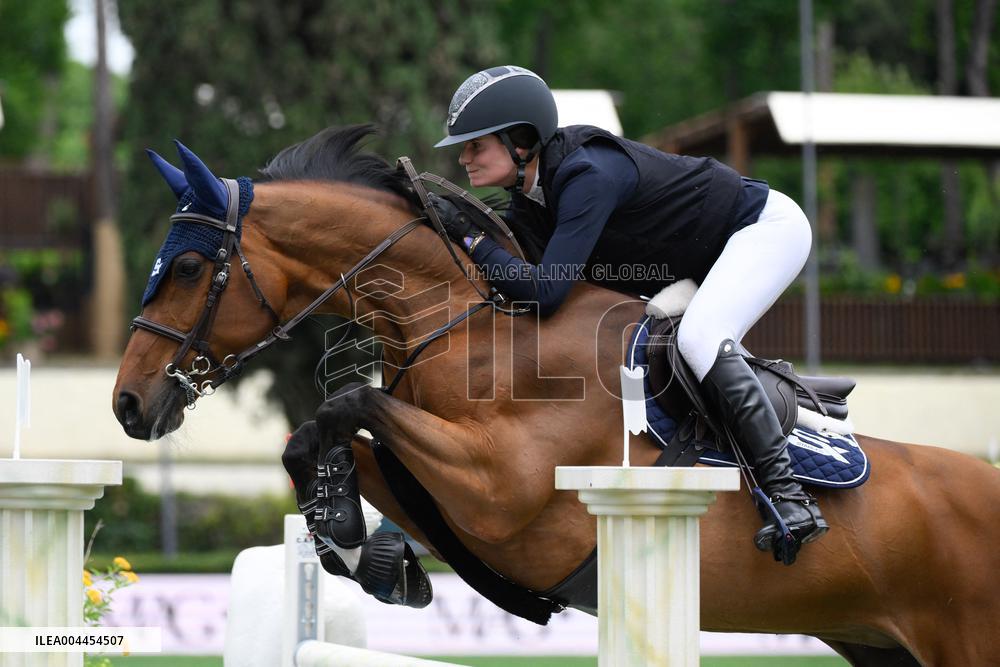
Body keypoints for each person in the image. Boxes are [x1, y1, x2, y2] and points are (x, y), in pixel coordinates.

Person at [432, 65, 827, 559]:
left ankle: (790, 497)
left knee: (700, 339)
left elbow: (546, 291)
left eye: (476, 146)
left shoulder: (586, 175)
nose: (464, 159)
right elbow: (519, 283)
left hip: (763, 230)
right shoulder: (531, 199)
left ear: (521, 141)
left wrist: (469, 237)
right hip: (699, 262)